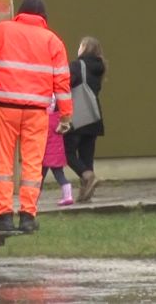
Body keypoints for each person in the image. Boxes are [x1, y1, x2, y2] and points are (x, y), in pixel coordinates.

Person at [0, 0, 72, 232]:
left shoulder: (2, 30)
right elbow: (62, 84)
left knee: (4, 163)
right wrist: (66, 116)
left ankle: (4, 215)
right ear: (43, 18)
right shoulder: (53, 41)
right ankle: (28, 216)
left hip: (7, 109)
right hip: (37, 113)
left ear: (19, 13)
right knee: (31, 164)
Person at [65, 36, 106, 203]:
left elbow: (65, 84)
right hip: (94, 116)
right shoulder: (100, 67)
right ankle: (85, 193)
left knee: (67, 152)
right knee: (86, 155)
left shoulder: (76, 66)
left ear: (84, 47)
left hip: (78, 115)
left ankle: (87, 176)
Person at [43, 96, 74, 206]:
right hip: (57, 153)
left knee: (39, 176)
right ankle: (68, 195)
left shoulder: (44, 120)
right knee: (59, 174)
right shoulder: (58, 120)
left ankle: (33, 198)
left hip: (45, 154)